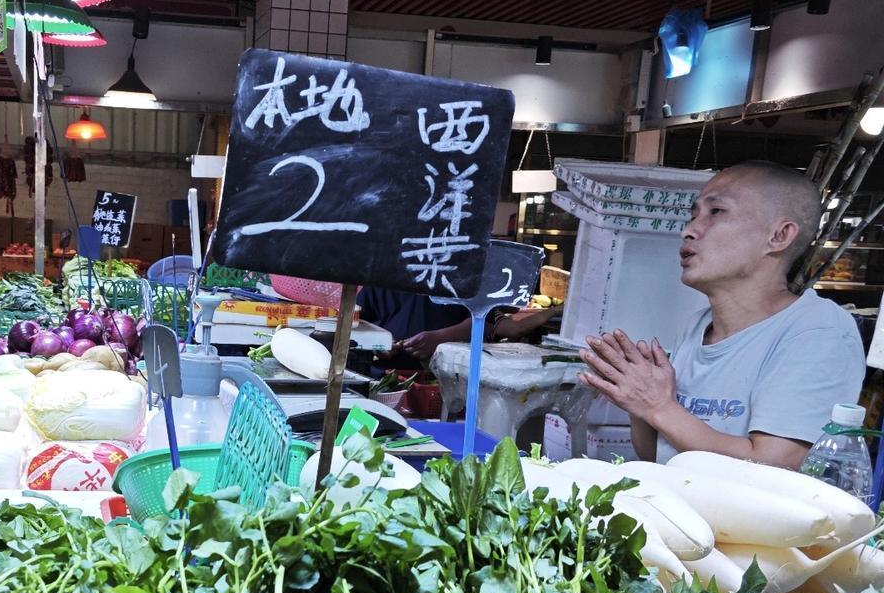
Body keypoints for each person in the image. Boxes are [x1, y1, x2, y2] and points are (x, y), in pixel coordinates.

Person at [580, 161, 866, 468]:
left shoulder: (817, 330)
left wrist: (658, 406)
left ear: (779, 235)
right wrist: (638, 404)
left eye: (716, 212)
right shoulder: (698, 326)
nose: (688, 231)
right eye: (693, 216)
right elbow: (657, 454)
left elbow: (773, 465)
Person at [359, 285, 556, 361]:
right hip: (386, 379)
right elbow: (359, 323)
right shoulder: (384, 274)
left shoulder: (461, 271)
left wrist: (440, 339)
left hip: (446, 377)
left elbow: (485, 320)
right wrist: (378, 342)